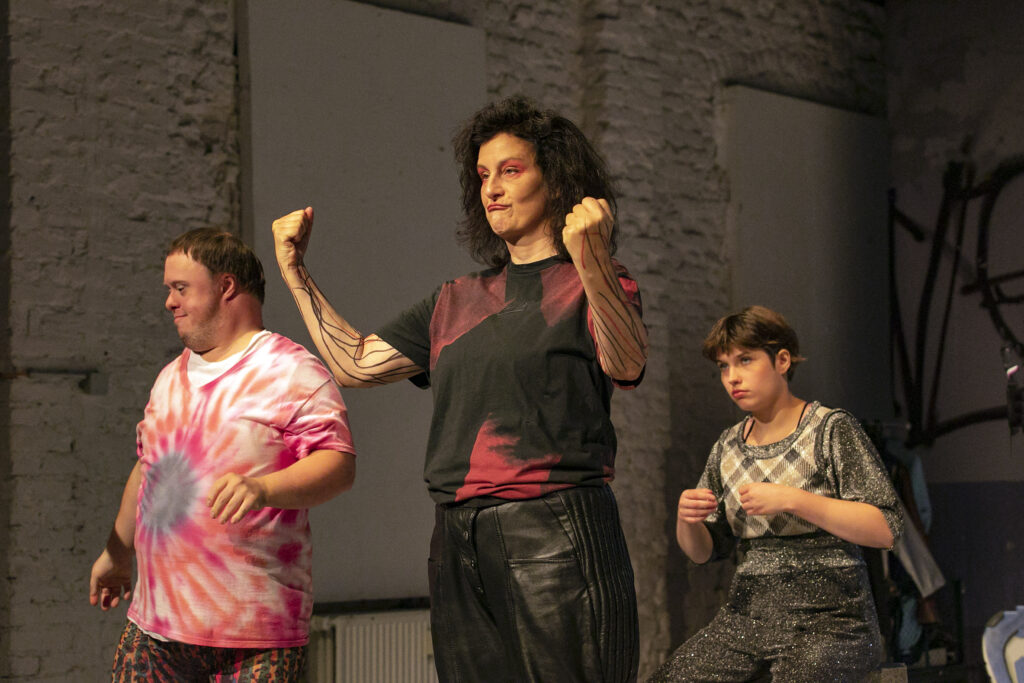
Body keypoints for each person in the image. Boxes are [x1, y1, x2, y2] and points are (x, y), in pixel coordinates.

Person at [272, 95, 648, 682]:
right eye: (482, 175)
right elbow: (357, 365)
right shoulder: (456, 298)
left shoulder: (595, 282)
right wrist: (296, 274)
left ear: (556, 180)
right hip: (457, 533)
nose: (491, 188)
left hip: (555, 527)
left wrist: (593, 260)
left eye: (511, 170)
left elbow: (624, 363)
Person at [88, 229, 357, 682]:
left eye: (181, 288)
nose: (170, 302)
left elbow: (338, 464)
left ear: (226, 286)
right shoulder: (169, 378)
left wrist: (263, 487)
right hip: (154, 631)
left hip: (254, 639)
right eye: (168, 290)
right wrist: (117, 552)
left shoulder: (291, 371)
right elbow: (150, 467)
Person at [648, 305, 903, 682]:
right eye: (723, 366)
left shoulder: (830, 429)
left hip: (833, 621)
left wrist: (793, 500)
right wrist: (687, 521)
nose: (732, 377)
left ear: (782, 360)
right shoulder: (728, 445)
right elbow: (706, 551)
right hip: (748, 617)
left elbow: (886, 527)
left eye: (745, 360)